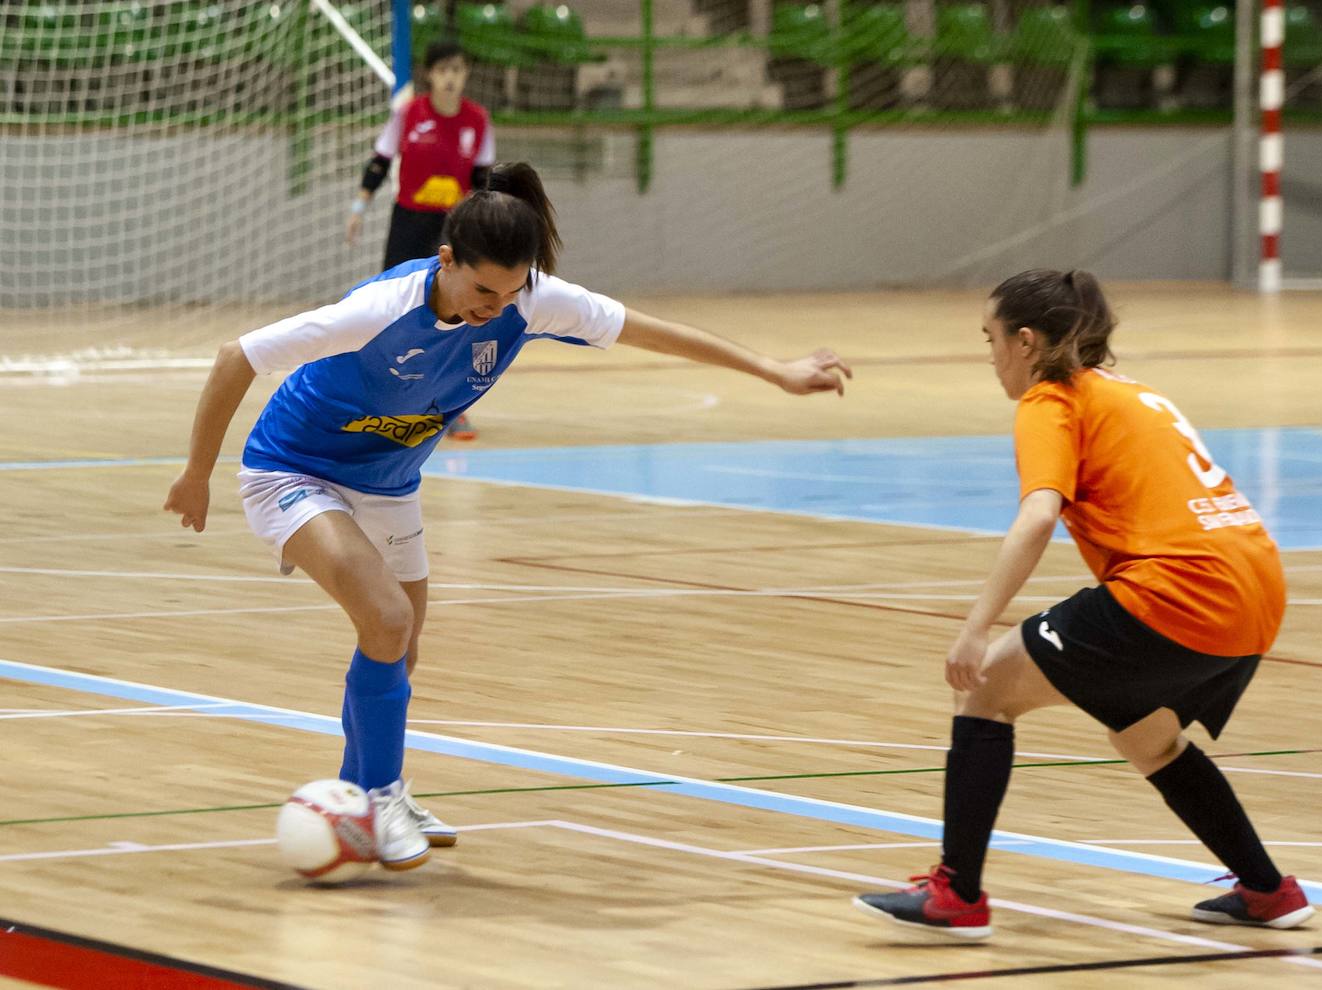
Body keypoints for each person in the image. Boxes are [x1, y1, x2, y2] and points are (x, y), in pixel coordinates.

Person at [164, 162, 852, 872]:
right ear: (447, 261)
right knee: (388, 618)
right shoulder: (379, 309)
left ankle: (359, 801)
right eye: (481, 289)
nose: (495, 305)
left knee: (398, 641)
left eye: (511, 289)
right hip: (294, 469)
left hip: (390, 480)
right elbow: (235, 356)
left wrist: (775, 369)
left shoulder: (532, 301)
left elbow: (655, 332)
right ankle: (382, 794)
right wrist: (195, 474)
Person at [853, 269, 1312, 938]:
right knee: (1147, 738)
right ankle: (1269, 891)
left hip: (1181, 589)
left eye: (992, 339)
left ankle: (957, 895)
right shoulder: (1134, 393)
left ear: (1027, 342)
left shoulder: (1050, 401)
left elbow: (1038, 517)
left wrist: (975, 628)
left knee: (983, 690)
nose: (991, 355)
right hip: (1257, 589)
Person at [346, 37, 493, 442]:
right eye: (442, 69)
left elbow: (483, 182)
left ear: (466, 74)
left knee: (459, 316)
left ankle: (452, 407)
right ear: (430, 74)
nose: (450, 78)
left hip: (455, 227)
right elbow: (379, 162)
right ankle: (380, 400)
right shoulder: (409, 114)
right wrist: (359, 208)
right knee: (394, 308)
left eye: (457, 69)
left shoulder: (477, 120)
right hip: (409, 222)